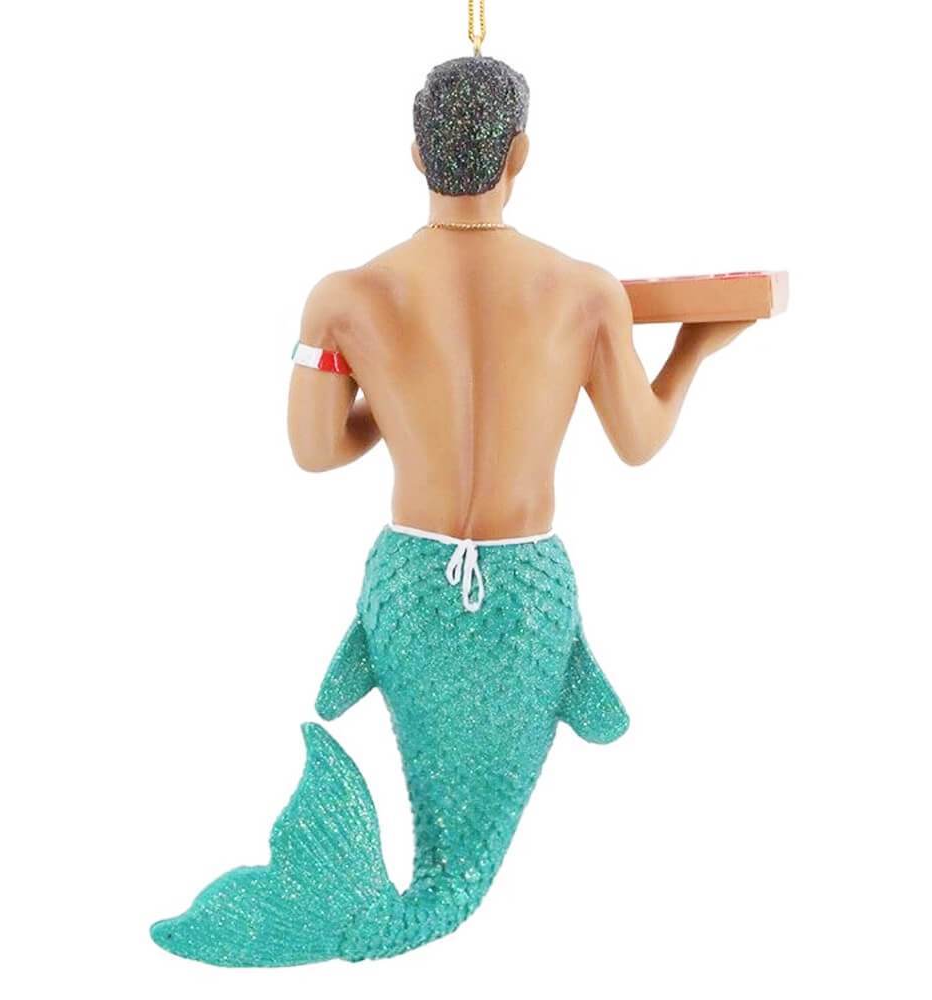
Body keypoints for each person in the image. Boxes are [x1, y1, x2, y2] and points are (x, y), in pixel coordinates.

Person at [151, 54, 752, 968]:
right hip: (526, 599)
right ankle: (409, 896)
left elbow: (315, 449)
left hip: (409, 594)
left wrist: (397, 407)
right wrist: (697, 347)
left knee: (441, 814)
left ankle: (342, 899)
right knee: (467, 854)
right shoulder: (585, 291)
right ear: (521, 154)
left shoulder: (345, 297)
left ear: (413, 154)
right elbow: (640, 441)